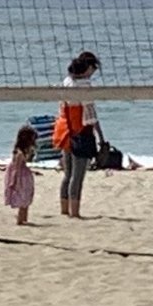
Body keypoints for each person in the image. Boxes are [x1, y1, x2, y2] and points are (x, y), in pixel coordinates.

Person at [54, 51, 101, 218]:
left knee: (67, 175)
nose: (94, 72)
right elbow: (91, 115)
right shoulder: (84, 86)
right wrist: (101, 137)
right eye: (94, 68)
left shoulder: (67, 81)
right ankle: (75, 212)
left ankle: (64, 210)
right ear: (88, 68)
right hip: (80, 131)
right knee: (77, 175)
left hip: (64, 130)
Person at [5, 123, 39, 225]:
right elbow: (16, 168)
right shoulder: (19, 153)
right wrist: (13, 181)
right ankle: (20, 220)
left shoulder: (20, 151)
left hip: (24, 175)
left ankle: (24, 219)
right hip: (21, 178)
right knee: (23, 199)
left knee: (26, 198)